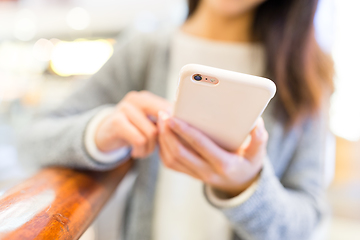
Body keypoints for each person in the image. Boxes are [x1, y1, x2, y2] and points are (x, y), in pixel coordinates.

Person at [19, 0, 334, 239]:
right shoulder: (144, 50)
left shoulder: (306, 75)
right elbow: (32, 138)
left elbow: (307, 217)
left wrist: (246, 187)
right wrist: (101, 131)